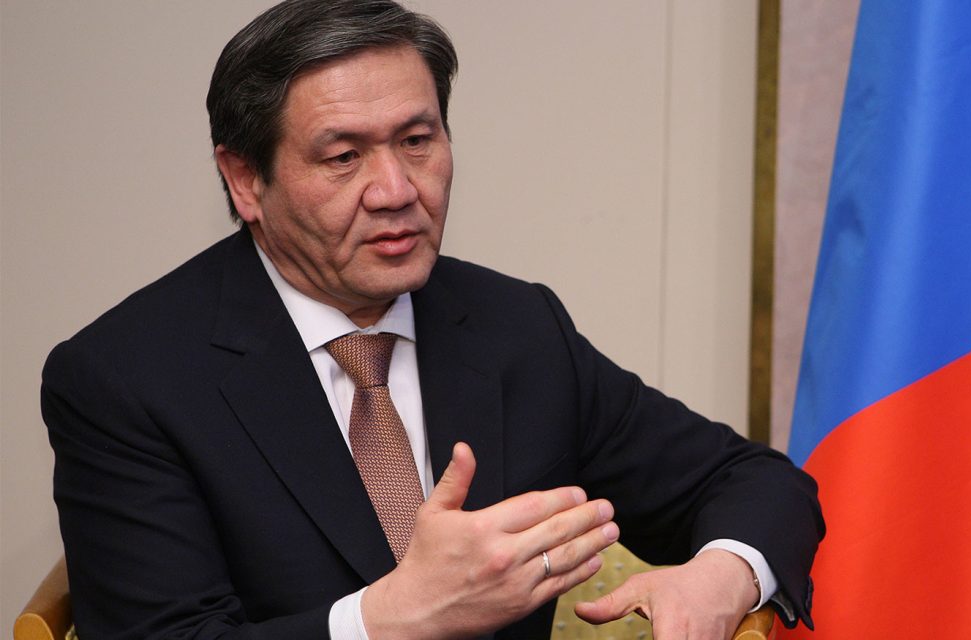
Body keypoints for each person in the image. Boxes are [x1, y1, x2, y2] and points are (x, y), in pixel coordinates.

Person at [41, 1, 824, 638]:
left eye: (417, 140)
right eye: (343, 156)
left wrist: (721, 576)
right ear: (246, 179)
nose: (397, 190)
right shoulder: (127, 379)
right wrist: (383, 621)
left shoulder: (516, 327)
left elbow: (752, 480)